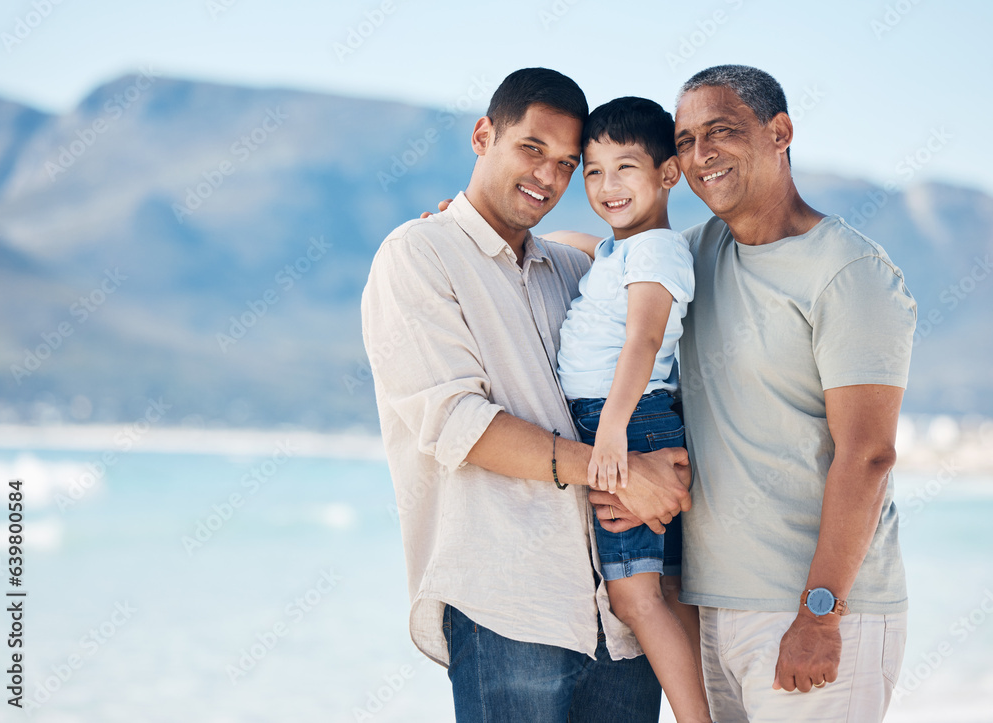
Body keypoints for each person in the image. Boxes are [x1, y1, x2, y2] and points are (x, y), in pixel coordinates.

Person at [361, 68, 692, 722]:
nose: (549, 175)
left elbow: (624, 272)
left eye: (569, 163)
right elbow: (461, 424)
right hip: (509, 612)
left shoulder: (570, 269)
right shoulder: (418, 257)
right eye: (532, 149)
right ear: (484, 135)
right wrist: (622, 474)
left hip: (619, 619)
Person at [588, 65, 916, 722]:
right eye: (684, 140)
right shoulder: (695, 254)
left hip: (815, 610)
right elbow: (604, 263)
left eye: (720, 132)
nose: (700, 154)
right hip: (714, 607)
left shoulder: (848, 271)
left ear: (780, 132)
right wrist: (473, 228)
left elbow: (869, 455)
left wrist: (819, 612)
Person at [553, 96, 710, 723]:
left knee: (633, 598)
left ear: (668, 174)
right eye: (592, 171)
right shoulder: (624, 252)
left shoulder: (655, 252)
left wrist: (611, 435)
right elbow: (573, 241)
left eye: (626, 168)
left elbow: (644, 339)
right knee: (664, 590)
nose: (607, 185)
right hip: (627, 418)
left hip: (625, 420)